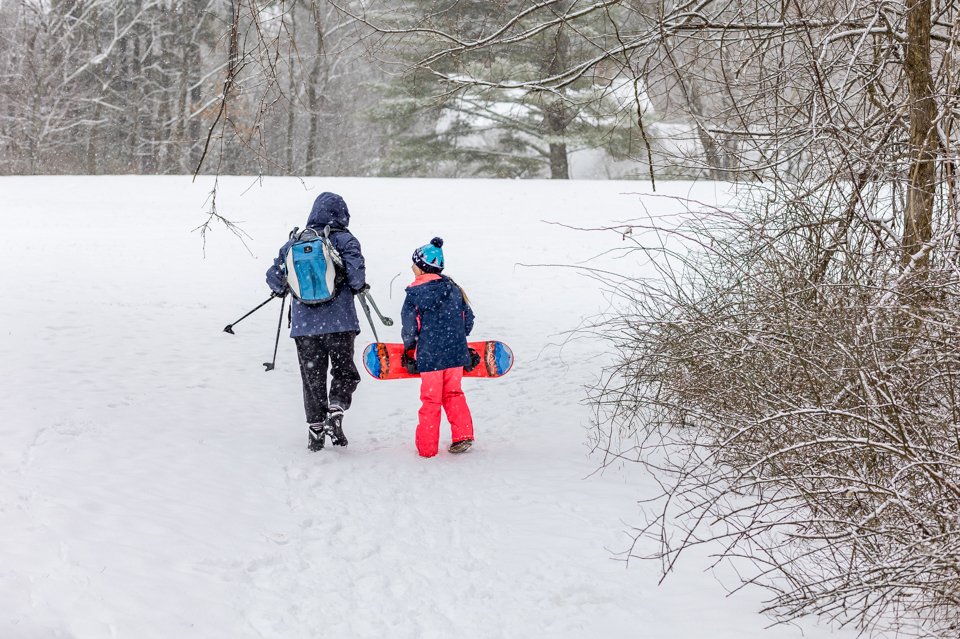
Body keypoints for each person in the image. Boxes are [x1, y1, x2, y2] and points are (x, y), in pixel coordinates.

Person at [266, 192, 367, 451]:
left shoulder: (294, 244)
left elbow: (275, 278)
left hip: (305, 327)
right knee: (345, 372)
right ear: (342, 214)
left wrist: (284, 288)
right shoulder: (346, 240)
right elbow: (356, 279)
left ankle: (316, 429)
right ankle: (336, 408)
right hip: (341, 323)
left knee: (312, 377)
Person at [400, 237, 475, 457]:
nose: (411, 266)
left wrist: (409, 349)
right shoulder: (454, 289)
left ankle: (427, 447)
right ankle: (463, 435)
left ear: (422, 267)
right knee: (454, 393)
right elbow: (467, 320)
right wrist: (456, 338)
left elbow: (409, 327)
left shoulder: (414, 295)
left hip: (430, 357)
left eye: (414, 263)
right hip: (455, 354)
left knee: (431, 400)